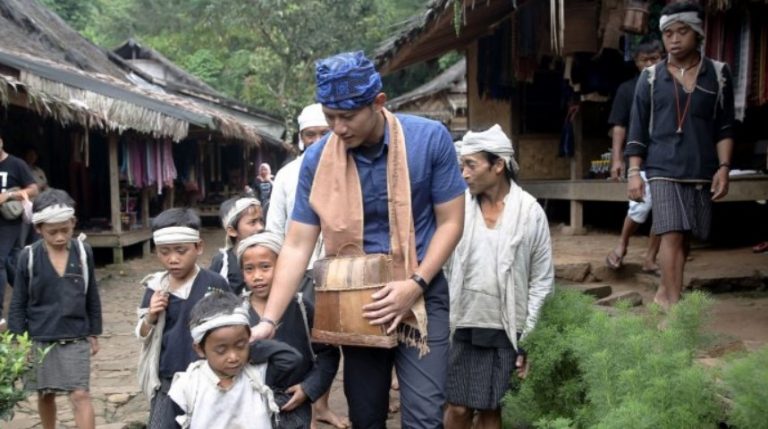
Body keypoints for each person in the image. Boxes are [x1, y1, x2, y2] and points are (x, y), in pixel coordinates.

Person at [251, 51, 467, 428]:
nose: (337, 127)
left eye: (347, 117)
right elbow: (298, 244)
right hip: (356, 302)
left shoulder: (428, 140)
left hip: (421, 292)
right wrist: (269, 319)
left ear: (378, 103)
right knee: (366, 416)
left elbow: (451, 222)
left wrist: (414, 284)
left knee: (424, 417)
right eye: (330, 116)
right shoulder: (318, 161)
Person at [443, 125, 554, 429]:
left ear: (498, 165)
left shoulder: (529, 213)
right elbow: (440, 265)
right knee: (457, 406)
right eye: (461, 165)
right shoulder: (457, 209)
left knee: (492, 409)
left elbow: (541, 281)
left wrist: (529, 336)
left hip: (505, 328)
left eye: (471, 165)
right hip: (462, 322)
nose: (464, 173)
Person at [626, 1, 735, 310]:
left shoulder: (718, 74)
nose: (674, 39)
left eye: (682, 32)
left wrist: (724, 167)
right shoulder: (649, 78)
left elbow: (725, 127)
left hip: (701, 167)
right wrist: (635, 172)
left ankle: (664, 292)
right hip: (661, 166)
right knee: (670, 233)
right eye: (668, 33)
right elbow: (636, 129)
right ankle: (675, 306)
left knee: (686, 238)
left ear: (697, 33)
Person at [265, 103, 350, 428]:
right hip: (300, 273)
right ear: (301, 138)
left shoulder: (349, 169)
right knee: (304, 340)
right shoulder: (287, 175)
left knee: (334, 343)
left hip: (340, 272)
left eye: (322, 133)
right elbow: (275, 229)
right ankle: (308, 402)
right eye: (309, 134)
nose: (316, 140)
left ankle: (322, 404)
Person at [8, 188, 102, 429]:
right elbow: (18, 301)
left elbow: (91, 294)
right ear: (38, 229)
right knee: (45, 393)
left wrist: (94, 331)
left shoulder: (83, 252)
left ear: (73, 223)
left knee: (80, 394)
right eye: (52, 232)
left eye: (65, 230)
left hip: (76, 335)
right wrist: (19, 340)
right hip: (40, 337)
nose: (60, 237)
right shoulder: (28, 258)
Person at [135, 208, 231, 429]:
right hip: (167, 377)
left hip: (208, 376)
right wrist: (150, 315)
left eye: (181, 250)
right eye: (164, 252)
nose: (173, 259)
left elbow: (231, 327)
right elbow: (141, 334)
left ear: (198, 247)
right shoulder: (156, 287)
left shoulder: (215, 283)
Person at [238, 231, 340, 428]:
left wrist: (308, 389)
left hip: (293, 405)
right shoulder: (235, 313)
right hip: (247, 407)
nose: (257, 276)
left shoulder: (302, 308)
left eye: (265, 267)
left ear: (283, 267)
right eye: (249, 269)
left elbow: (328, 354)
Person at [168, 291, 287, 429]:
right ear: (200, 349)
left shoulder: (258, 376)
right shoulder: (187, 387)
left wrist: (254, 346)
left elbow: (291, 359)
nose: (233, 357)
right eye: (221, 350)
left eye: (240, 346)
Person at [605, 41, 664, 273]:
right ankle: (622, 244)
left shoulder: (671, 86)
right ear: (636, 62)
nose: (649, 64)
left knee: (662, 210)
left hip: (666, 157)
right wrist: (617, 159)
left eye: (654, 59)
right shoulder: (628, 89)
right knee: (639, 207)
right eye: (644, 60)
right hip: (638, 157)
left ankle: (650, 259)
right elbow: (619, 126)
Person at [0, 127, 39, 328]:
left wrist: (9, 196)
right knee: (10, 263)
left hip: (9, 222)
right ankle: (31, 297)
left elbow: (33, 189)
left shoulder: (16, 164)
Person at [209, 196, 264, 296]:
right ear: (232, 231)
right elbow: (212, 299)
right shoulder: (222, 262)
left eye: (261, 221)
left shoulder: (269, 256)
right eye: (253, 222)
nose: (261, 227)